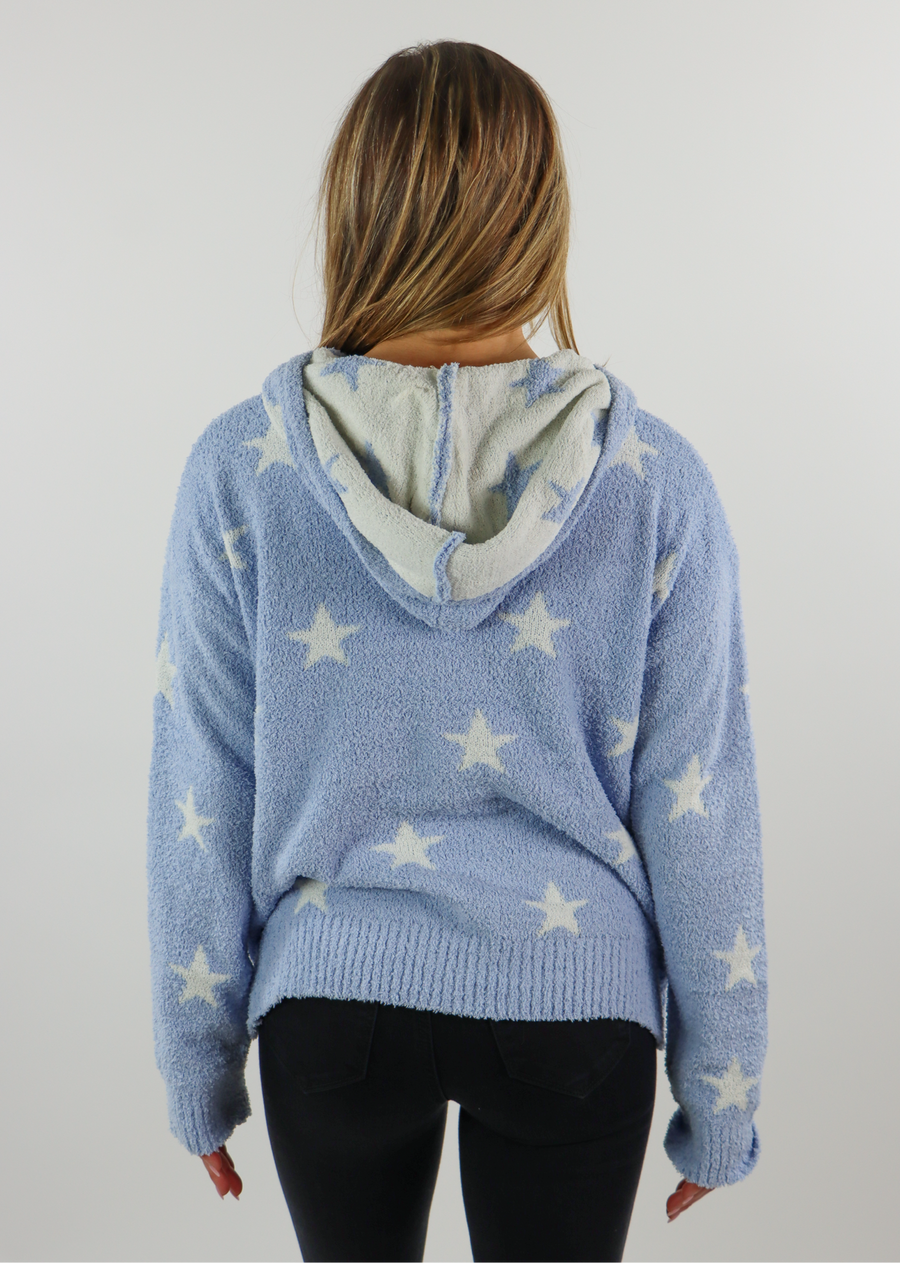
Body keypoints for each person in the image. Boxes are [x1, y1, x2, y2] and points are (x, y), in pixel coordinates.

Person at [147, 39, 766, 1262]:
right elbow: (699, 800)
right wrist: (725, 1092)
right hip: (576, 1007)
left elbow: (201, 785)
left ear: (355, 213)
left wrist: (194, 1064)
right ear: (540, 224)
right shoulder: (655, 481)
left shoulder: (240, 470)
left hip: (332, 1007)